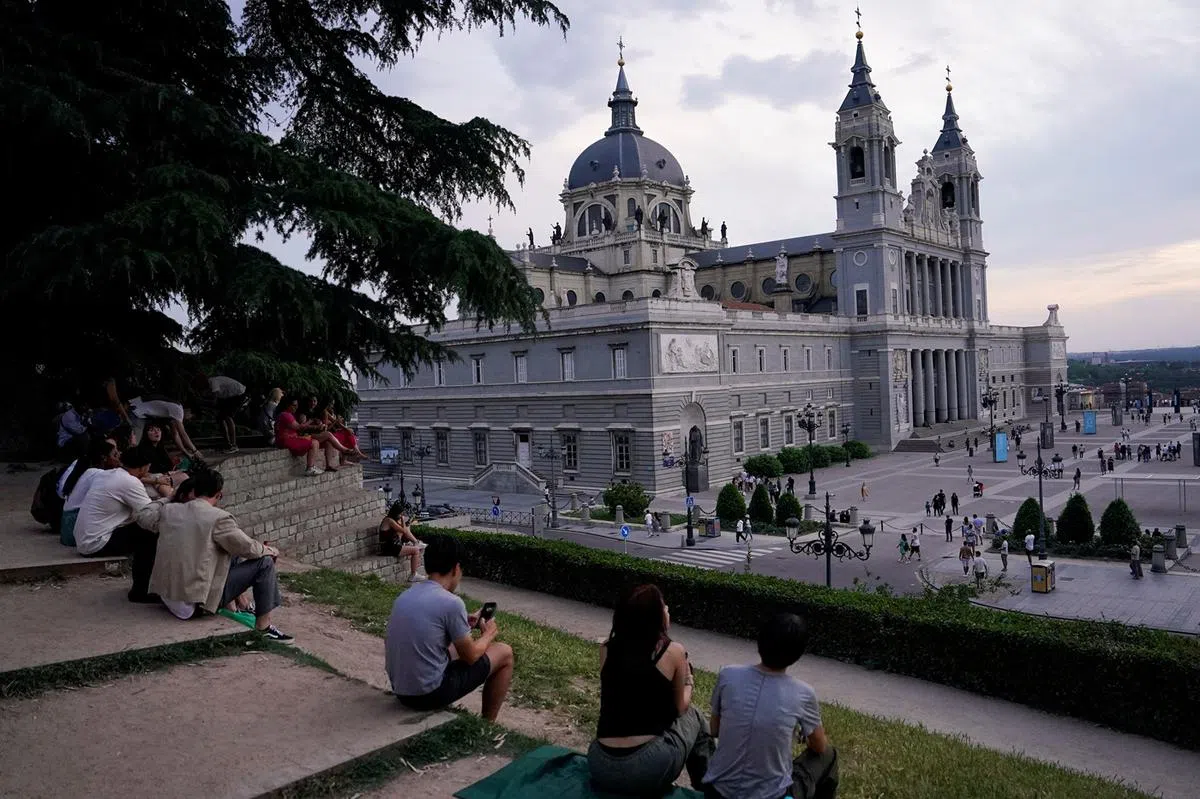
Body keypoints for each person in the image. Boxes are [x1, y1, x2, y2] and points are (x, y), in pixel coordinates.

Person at [136, 469, 293, 642]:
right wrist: (271, 551)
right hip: (193, 605)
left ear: (193, 491)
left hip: (169, 597)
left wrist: (169, 497)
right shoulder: (219, 518)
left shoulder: (169, 511)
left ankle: (239, 605)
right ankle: (264, 627)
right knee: (264, 563)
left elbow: (143, 515)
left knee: (228, 549)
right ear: (219, 494)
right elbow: (249, 548)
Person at [587, 584, 713, 796]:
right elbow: (681, 708)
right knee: (695, 717)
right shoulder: (673, 651)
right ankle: (710, 789)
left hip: (600, 763)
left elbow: (624, 692)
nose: (667, 609)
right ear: (655, 617)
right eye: (663, 607)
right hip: (646, 766)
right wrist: (689, 681)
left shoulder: (606, 648)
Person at [701, 613, 838, 799]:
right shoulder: (804, 693)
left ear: (760, 640)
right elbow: (819, 746)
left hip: (717, 792)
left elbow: (715, 729)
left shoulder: (728, 675)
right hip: (771, 795)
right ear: (798, 654)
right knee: (829, 754)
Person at [386, 537, 514, 721]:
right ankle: (488, 723)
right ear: (456, 568)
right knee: (505, 652)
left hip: (402, 691)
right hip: (428, 694)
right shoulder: (452, 602)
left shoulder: (406, 595)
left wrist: (463, 624)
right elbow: (471, 656)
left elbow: (433, 633)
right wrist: (488, 634)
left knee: (454, 647)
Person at [74, 448, 164, 602]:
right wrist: (169, 497)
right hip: (97, 542)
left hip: (86, 538)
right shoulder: (129, 482)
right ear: (143, 467)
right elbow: (150, 513)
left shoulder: (108, 474)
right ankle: (141, 590)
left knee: (141, 527)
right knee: (149, 534)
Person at [60, 436, 122, 547]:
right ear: (104, 458)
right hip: (74, 529)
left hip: (67, 528)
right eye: (115, 455)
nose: (118, 458)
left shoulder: (88, 471)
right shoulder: (97, 474)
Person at [274, 395, 350, 475]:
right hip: (287, 440)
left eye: (297, 405)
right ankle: (310, 467)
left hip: (290, 438)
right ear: (287, 405)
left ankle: (326, 464)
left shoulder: (287, 414)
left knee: (326, 439)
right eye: (294, 405)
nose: (296, 407)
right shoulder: (286, 415)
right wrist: (312, 423)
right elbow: (299, 427)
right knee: (315, 442)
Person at [136, 423, 188, 498]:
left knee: (185, 476)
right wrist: (158, 479)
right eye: (152, 430)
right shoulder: (141, 450)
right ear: (146, 434)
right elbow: (140, 473)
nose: (156, 432)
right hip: (152, 478)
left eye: (158, 430)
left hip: (163, 476)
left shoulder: (160, 448)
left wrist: (173, 465)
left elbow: (165, 467)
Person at [379, 501, 426, 581]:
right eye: (400, 514)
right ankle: (413, 575)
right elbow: (403, 530)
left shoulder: (392, 520)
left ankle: (416, 542)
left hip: (393, 545)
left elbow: (402, 531)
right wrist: (403, 520)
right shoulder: (389, 520)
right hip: (390, 547)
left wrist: (405, 524)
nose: (401, 516)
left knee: (407, 528)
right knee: (415, 550)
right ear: (396, 513)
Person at [205, 375, 248, 454]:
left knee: (227, 416)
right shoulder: (213, 383)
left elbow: (214, 400)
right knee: (220, 418)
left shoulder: (213, 382)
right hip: (229, 397)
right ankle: (227, 444)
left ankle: (233, 445)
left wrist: (203, 402)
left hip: (238, 394)